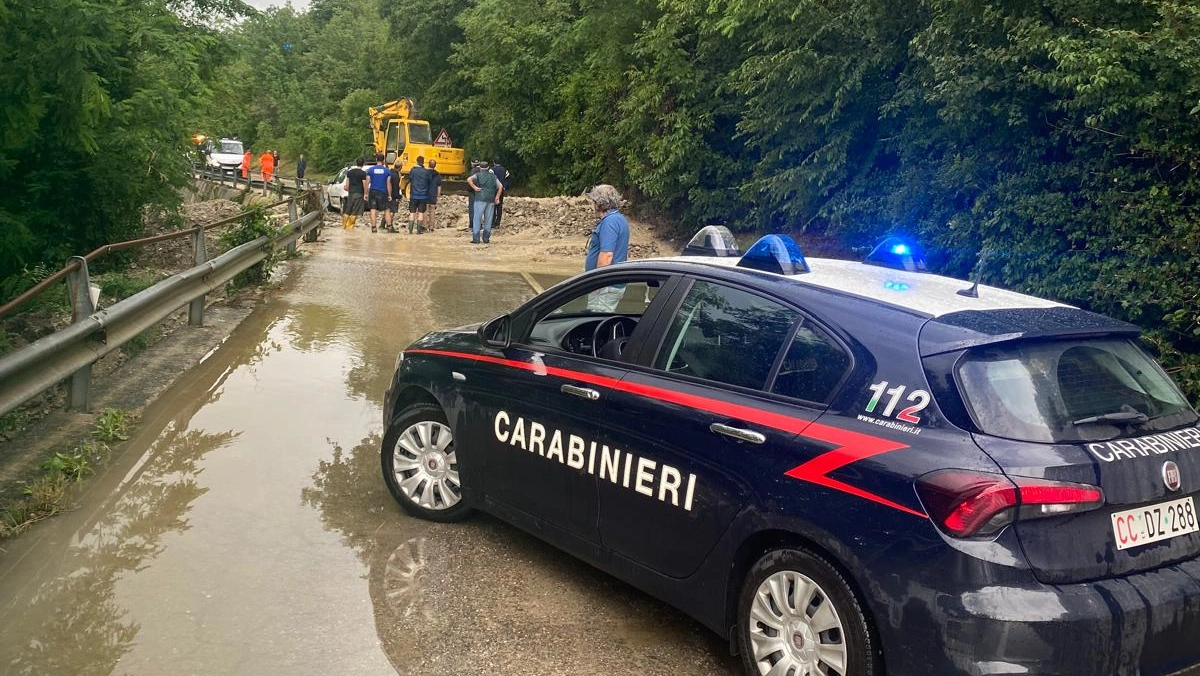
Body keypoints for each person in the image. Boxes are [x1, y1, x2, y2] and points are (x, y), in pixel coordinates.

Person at [583, 184, 630, 311]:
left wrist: (597, 282)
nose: (593, 204)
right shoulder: (619, 219)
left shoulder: (610, 222)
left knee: (595, 321)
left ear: (599, 203)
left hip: (605, 287)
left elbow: (606, 255)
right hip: (611, 284)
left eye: (594, 201)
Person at [466, 160, 502, 244]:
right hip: (490, 199)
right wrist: (497, 197)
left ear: (480, 168)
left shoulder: (478, 175)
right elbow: (500, 186)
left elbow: (469, 179)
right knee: (488, 219)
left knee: (477, 218)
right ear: (488, 168)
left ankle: (476, 238)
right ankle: (486, 238)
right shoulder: (493, 176)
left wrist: (475, 188)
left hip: (480, 198)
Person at [365, 153, 392, 232]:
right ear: (383, 160)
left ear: (376, 160)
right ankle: (389, 227)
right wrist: (389, 195)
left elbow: (367, 182)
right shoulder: (387, 171)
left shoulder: (370, 170)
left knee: (373, 210)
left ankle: (374, 228)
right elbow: (388, 184)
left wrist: (365, 193)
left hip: (373, 192)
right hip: (383, 192)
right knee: (386, 210)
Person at [406, 156, 433, 234]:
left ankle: (410, 231)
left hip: (413, 195)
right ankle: (418, 230)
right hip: (423, 196)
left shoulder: (413, 170)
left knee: (412, 212)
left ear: (417, 161)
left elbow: (410, 179)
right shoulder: (426, 172)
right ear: (423, 162)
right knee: (421, 213)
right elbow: (430, 182)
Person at [342, 157, 368, 231]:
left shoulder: (350, 172)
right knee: (355, 210)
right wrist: (366, 193)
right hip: (359, 193)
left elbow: (347, 184)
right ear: (363, 164)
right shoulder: (363, 173)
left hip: (351, 193)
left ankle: (344, 226)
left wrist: (347, 187)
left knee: (348, 209)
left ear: (356, 163)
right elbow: (364, 184)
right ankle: (349, 228)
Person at [492, 158, 511, 229]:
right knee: (499, 206)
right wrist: (505, 187)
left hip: (493, 190)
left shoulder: (491, 170)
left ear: (493, 162)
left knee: (492, 206)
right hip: (502, 190)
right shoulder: (504, 170)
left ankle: (493, 223)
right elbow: (508, 179)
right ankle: (498, 223)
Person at [386, 160, 403, 232]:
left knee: (387, 211)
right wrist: (398, 196)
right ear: (400, 167)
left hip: (386, 194)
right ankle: (390, 227)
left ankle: (383, 225)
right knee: (392, 212)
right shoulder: (395, 176)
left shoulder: (389, 172)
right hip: (393, 196)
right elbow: (396, 187)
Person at [426, 159, 442, 230]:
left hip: (425, 194)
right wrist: (438, 195)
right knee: (432, 211)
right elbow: (439, 186)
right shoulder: (437, 174)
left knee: (425, 211)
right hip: (433, 194)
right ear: (435, 166)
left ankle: (424, 226)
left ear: (428, 164)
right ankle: (431, 226)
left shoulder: (425, 173)